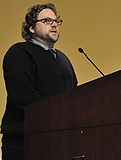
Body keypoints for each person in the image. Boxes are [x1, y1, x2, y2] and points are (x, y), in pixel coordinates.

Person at [1, 3, 78, 160]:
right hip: (25, 140)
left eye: (57, 21)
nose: (54, 25)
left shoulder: (63, 59)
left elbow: (73, 93)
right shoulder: (19, 52)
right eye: (47, 21)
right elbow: (22, 96)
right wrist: (60, 110)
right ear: (31, 28)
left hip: (60, 139)